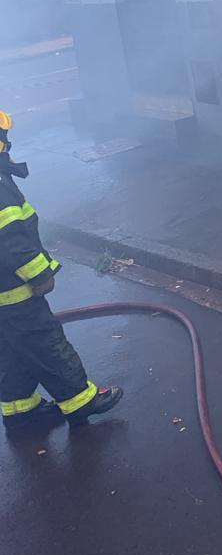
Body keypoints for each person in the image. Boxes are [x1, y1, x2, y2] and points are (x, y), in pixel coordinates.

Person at [0, 111, 123, 433]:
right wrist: (41, 275)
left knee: (14, 348)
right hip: (13, 293)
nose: (8, 143)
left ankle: (19, 409)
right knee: (44, 341)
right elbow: (12, 239)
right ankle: (80, 399)